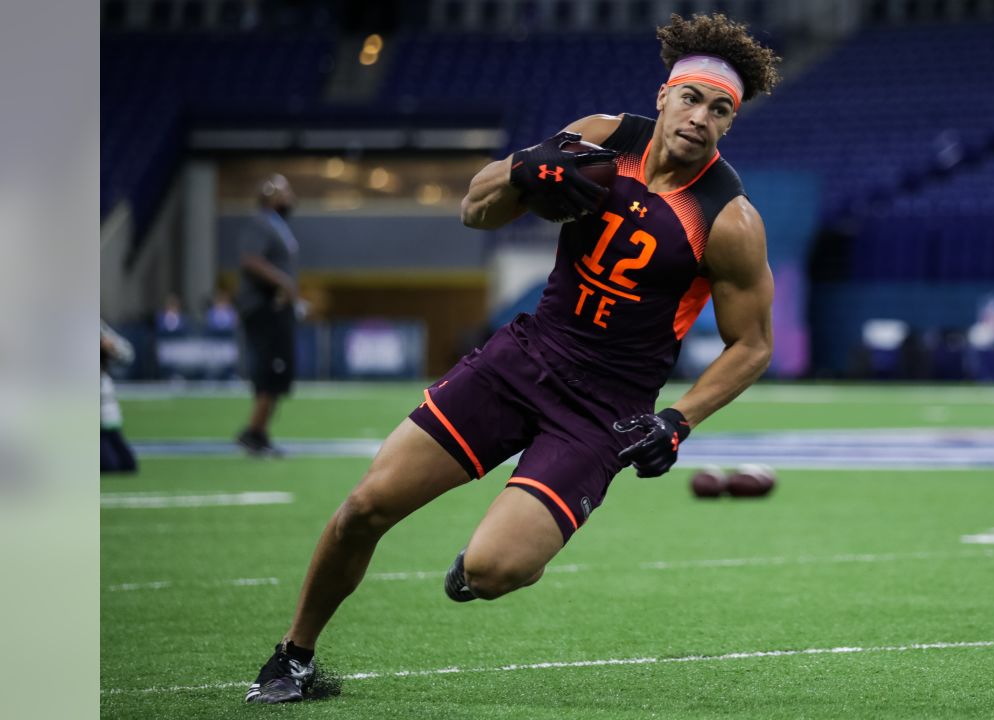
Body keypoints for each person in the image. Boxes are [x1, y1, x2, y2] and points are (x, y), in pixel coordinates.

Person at [245, 13, 780, 703]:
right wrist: (525, 170)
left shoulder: (730, 219)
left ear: (730, 123)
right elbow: (476, 210)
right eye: (692, 98)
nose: (701, 117)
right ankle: (294, 657)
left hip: (601, 412)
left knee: (495, 572)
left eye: (721, 109)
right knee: (365, 507)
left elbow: (754, 344)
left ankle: (476, 569)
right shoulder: (599, 136)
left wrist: (678, 419)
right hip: (522, 359)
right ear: (662, 95)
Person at [235, 174, 300, 457]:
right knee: (269, 370)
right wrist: (283, 282)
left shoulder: (277, 225)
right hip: (264, 308)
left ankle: (258, 432)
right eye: (284, 193)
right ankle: (253, 432)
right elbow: (250, 260)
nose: (290, 198)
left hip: (276, 309)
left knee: (278, 371)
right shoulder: (261, 223)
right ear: (271, 196)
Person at [101, 320, 137, 473]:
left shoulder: (99, 328)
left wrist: (111, 347)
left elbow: (128, 353)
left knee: (128, 465)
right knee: (109, 466)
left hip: (108, 420)